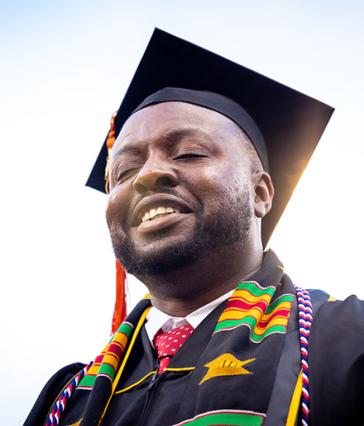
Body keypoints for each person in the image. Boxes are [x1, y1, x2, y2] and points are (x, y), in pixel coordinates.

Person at [25, 29, 364, 426]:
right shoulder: (66, 400)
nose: (148, 175)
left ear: (260, 193)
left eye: (189, 153)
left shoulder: (345, 339)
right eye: (124, 172)